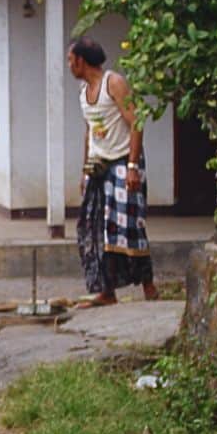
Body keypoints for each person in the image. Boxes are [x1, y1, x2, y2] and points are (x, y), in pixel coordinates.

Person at [68, 36, 158, 307]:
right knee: (95, 226)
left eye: (71, 60)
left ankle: (148, 285)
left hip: (122, 162)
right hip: (99, 166)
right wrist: (85, 171)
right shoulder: (84, 93)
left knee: (129, 226)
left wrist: (132, 166)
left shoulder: (114, 83)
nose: (69, 65)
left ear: (81, 61)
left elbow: (136, 123)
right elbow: (90, 133)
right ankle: (106, 290)